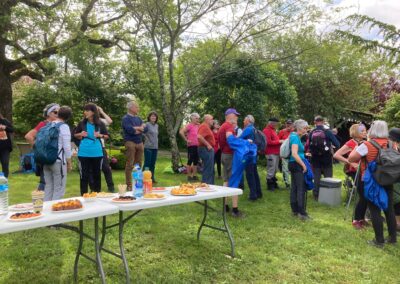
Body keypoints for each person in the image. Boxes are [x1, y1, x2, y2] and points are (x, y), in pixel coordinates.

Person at [348, 120, 397, 247]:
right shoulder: (391, 144)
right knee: (389, 209)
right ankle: (392, 238)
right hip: (387, 178)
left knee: (374, 209)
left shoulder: (367, 145)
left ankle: (379, 240)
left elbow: (351, 158)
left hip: (371, 180)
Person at [333, 123, 368, 229]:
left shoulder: (366, 142)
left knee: (366, 195)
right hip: (355, 171)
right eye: (362, 131)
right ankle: (356, 219)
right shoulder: (351, 143)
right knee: (363, 195)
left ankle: (362, 218)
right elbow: (336, 155)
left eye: (365, 130)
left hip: (364, 171)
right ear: (356, 132)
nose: (365, 132)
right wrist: (350, 162)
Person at [74, 103, 109, 195]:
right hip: (83, 153)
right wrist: (80, 134)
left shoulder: (100, 123)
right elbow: (75, 135)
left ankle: (97, 195)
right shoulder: (82, 123)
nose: (85, 112)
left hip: (97, 152)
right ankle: (84, 195)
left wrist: (100, 135)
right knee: (84, 176)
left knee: (97, 175)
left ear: (93, 112)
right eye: (85, 110)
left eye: (87, 110)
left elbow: (107, 136)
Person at [25, 103, 60, 191]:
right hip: (45, 158)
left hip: (55, 157)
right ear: (48, 114)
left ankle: (46, 202)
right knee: (44, 182)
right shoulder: (43, 124)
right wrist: (38, 148)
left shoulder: (58, 124)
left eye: (60, 112)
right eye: (55, 112)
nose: (58, 114)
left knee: (54, 183)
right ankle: (38, 201)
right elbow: (28, 136)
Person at [307, 115, 340, 200]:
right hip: (326, 157)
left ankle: (316, 195)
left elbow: (307, 145)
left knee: (317, 176)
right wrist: (331, 146)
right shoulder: (327, 131)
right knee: (328, 176)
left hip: (315, 157)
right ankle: (327, 194)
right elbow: (337, 144)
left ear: (315, 122)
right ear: (323, 122)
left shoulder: (311, 132)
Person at [43, 106, 72, 201]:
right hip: (58, 160)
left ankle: (46, 211)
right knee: (58, 188)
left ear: (58, 114)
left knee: (48, 186)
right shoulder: (64, 126)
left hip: (45, 159)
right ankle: (55, 211)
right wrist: (69, 163)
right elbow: (67, 147)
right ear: (68, 117)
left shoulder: (48, 125)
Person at [219, 108, 244, 217]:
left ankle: (225, 206)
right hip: (229, 155)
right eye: (236, 115)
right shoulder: (229, 126)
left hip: (224, 154)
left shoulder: (222, 126)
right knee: (234, 181)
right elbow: (230, 138)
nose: (237, 117)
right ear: (230, 116)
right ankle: (235, 210)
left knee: (226, 181)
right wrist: (243, 143)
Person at [122, 101, 148, 189]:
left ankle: (137, 184)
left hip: (139, 142)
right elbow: (129, 130)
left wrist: (139, 129)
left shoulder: (139, 118)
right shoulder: (125, 118)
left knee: (139, 164)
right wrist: (139, 128)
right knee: (130, 164)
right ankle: (129, 185)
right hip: (130, 142)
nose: (138, 109)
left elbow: (145, 129)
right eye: (136, 107)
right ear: (131, 108)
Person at [289, 119, 311, 220]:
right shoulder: (294, 137)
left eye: (307, 128)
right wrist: (303, 165)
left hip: (293, 163)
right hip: (297, 164)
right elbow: (294, 153)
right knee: (300, 188)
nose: (306, 130)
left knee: (294, 187)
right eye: (304, 128)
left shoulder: (295, 136)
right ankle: (301, 213)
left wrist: (304, 154)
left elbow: (297, 151)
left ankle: (295, 210)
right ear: (299, 128)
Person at [240, 115, 262, 201]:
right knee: (255, 174)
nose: (243, 122)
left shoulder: (248, 129)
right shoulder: (254, 129)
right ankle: (258, 192)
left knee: (250, 175)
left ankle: (253, 195)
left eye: (244, 120)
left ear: (248, 121)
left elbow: (239, 138)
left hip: (248, 155)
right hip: (254, 154)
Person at [97, 106, 115, 192]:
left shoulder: (101, 121)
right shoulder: (86, 122)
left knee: (106, 168)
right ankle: (96, 189)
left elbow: (110, 121)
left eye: (97, 111)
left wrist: (102, 111)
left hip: (101, 147)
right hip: (92, 149)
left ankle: (111, 188)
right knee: (95, 170)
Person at [263, 118, 282, 191]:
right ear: (272, 123)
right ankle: (269, 185)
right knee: (271, 168)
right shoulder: (266, 130)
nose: (277, 125)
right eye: (276, 124)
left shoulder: (273, 130)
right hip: (270, 152)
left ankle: (273, 183)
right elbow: (268, 142)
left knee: (275, 168)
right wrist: (279, 141)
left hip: (275, 152)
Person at [179, 113, 200, 181]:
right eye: (196, 118)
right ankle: (189, 176)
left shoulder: (198, 125)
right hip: (191, 146)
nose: (198, 119)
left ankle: (194, 175)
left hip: (197, 145)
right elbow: (181, 132)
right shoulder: (189, 125)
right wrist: (186, 140)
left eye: (198, 118)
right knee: (190, 160)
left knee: (196, 161)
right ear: (192, 118)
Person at [197, 114, 215, 184]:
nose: (212, 121)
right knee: (208, 169)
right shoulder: (204, 126)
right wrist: (208, 145)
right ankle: (207, 186)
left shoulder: (206, 126)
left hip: (206, 149)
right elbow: (199, 136)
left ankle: (208, 185)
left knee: (209, 168)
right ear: (206, 120)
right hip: (205, 149)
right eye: (211, 119)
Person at [143, 111, 159, 183]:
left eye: (155, 116)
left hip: (155, 147)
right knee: (147, 163)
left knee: (153, 163)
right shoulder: (147, 124)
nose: (153, 117)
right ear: (149, 117)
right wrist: (146, 139)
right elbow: (142, 133)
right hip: (148, 147)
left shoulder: (156, 125)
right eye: (152, 116)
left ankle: (151, 178)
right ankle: (144, 178)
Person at [278, 119, 294, 189]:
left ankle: (294, 183)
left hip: (293, 153)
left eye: (290, 124)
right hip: (285, 153)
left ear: (292, 124)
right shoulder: (281, 132)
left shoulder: (294, 132)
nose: (289, 125)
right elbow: (278, 141)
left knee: (293, 168)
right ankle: (287, 183)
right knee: (285, 169)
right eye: (287, 124)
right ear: (285, 124)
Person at [0, 112, 13, 178]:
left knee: (5, 164)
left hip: (5, 147)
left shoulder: (4, 121)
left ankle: (4, 183)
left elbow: (12, 129)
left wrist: (5, 127)